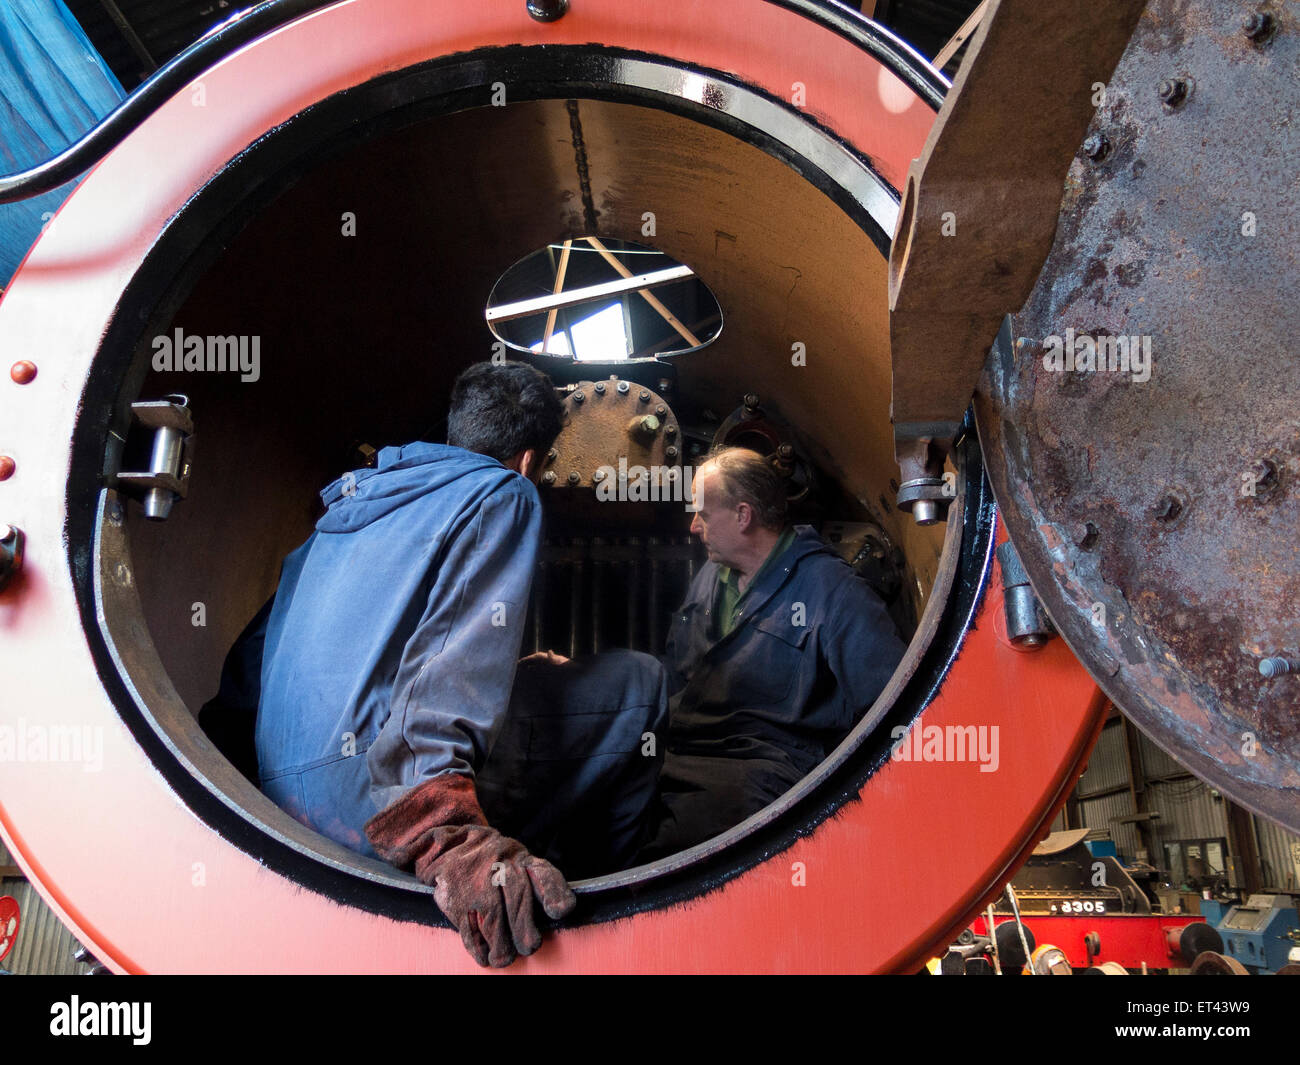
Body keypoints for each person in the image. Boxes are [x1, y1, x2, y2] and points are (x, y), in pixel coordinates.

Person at [201, 360, 664, 968]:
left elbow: (256, 664)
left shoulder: (346, 508)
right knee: (640, 684)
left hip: (276, 792)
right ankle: (607, 922)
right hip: (377, 806)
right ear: (528, 459)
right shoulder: (502, 492)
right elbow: (447, 678)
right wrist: (443, 832)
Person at [634, 446, 908, 859]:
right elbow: (677, 672)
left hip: (761, 776)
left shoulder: (832, 592)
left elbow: (894, 711)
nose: (693, 527)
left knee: (680, 843)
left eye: (704, 515)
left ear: (744, 516)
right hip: (682, 751)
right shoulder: (712, 577)